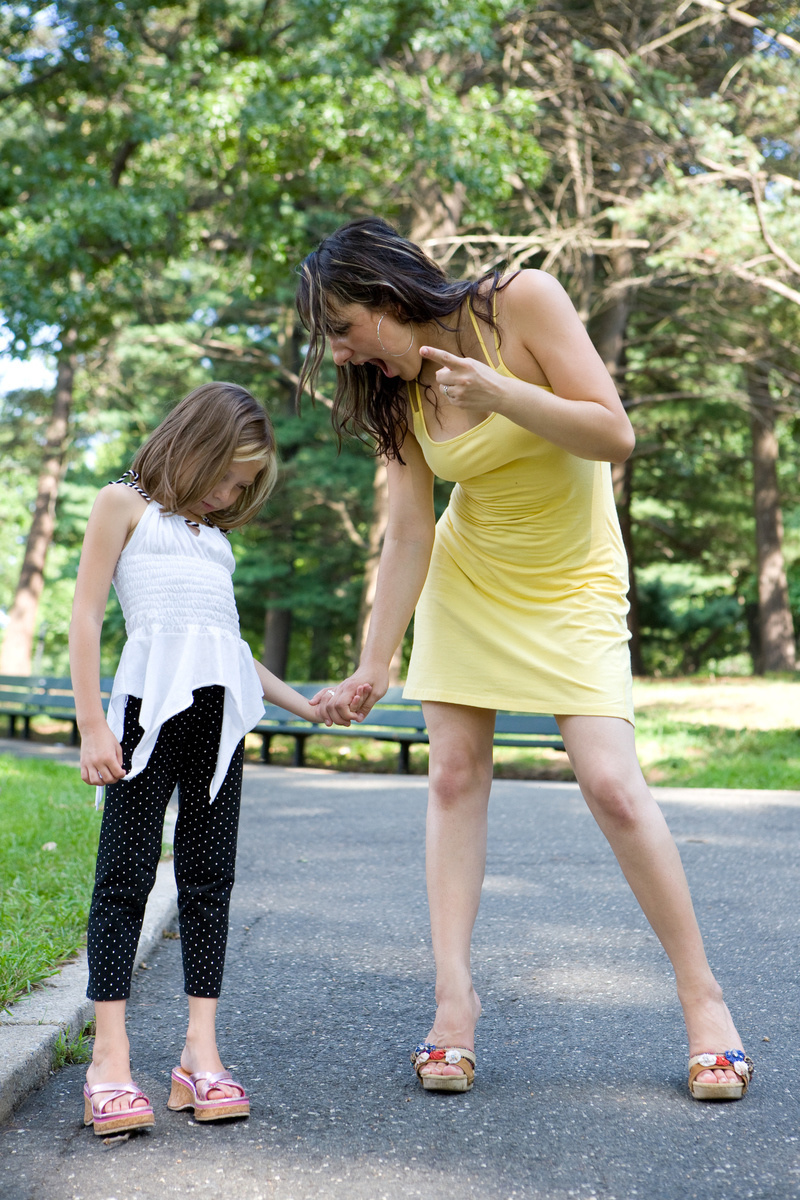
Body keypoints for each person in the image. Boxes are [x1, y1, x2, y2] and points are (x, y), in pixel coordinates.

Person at [295, 217, 753, 1102]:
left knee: (613, 784)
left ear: (388, 294)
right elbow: (409, 531)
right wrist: (374, 660)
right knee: (455, 777)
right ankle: (452, 1005)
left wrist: (503, 395)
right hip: (471, 581)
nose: (344, 355)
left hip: (574, 580)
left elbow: (612, 435)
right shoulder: (396, 395)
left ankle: (705, 1003)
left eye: (346, 329)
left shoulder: (524, 302)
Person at [70, 383, 359, 1136]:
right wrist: (93, 727)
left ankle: (200, 1052)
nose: (236, 493)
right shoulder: (121, 505)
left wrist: (309, 704)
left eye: (246, 482)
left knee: (208, 881)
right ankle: (110, 1057)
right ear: (196, 447)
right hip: (145, 717)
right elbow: (84, 616)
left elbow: (229, 650)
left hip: (220, 723)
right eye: (232, 474)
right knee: (125, 879)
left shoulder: (213, 541)